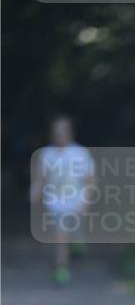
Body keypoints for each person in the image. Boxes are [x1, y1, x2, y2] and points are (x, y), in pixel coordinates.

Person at [30, 114, 96, 285]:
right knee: (61, 235)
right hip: (55, 201)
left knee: (72, 231)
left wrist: (86, 201)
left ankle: (78, 241)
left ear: (71, 132)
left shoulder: (80, 153)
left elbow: (90, 180)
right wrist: (34, 192)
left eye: (64, 130)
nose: (61, 134)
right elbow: (41, 177)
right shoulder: (46, 154)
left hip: (76, 199)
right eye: (57, 131)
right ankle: (61, 269)